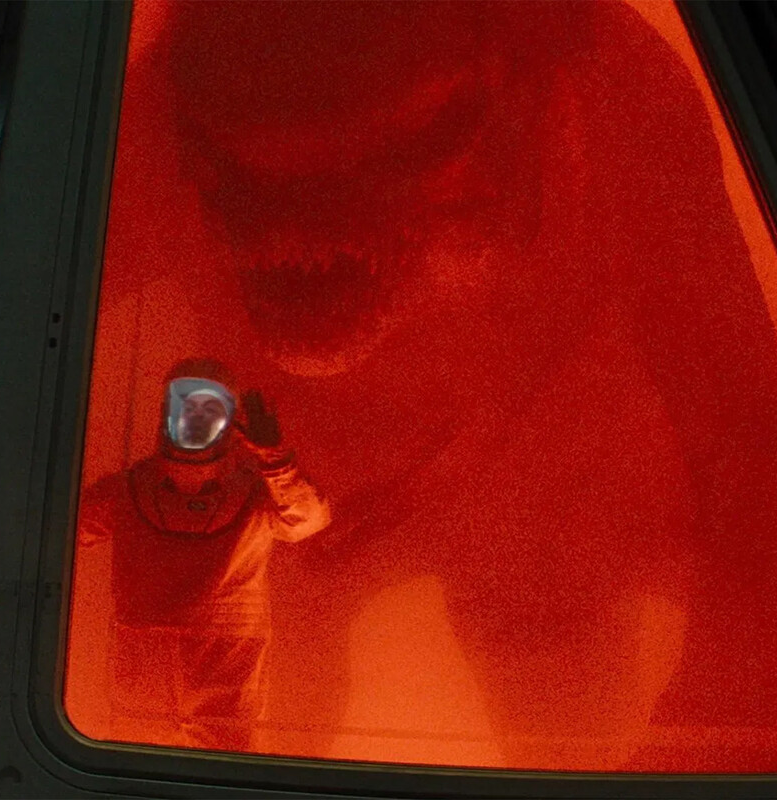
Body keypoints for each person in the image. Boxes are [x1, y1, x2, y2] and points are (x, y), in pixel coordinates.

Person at [88, 0, 777, 769]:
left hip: (533, 501)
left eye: (399, 147)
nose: (307, 214)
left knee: (539, 685)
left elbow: (748, 448)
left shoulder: (610, 83)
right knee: (283, 715)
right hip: (323, 514)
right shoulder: (600, 71)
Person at [78, 358, 331, 752]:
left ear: (231, 421)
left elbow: (308, 521)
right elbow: (64, 529)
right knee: (138, 761)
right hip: (151, 655)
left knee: (221, 766)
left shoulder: (255, 492)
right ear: (166, 412)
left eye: (210, 407)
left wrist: (277, 464)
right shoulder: (128, 491)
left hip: (224, 654)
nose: (196, 417)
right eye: (187, 405)